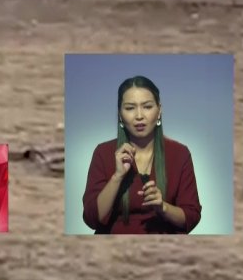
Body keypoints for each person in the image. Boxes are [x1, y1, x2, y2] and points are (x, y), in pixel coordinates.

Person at [81, 75, 201, 233]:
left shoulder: (180, 154)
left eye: (147, 107)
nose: (139, 116)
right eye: (130, 108)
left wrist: (163, 207)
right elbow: (92, 219)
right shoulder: (103, 153)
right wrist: (117, 176)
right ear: (120, 115)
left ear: (159, 111)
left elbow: (191, 216)